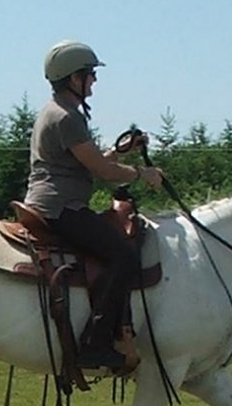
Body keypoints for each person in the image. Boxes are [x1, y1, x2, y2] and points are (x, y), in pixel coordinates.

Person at [23, 39, 163, 371]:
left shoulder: (57, 111)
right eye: (90, 74)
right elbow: (101, 171)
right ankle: (96, 343)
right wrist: (143, 173)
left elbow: (92, 161)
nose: (94, 81)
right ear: (74, 78)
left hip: (52, 203)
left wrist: (122, 152)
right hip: (61, 208)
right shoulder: (67, 117)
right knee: (124, 255)